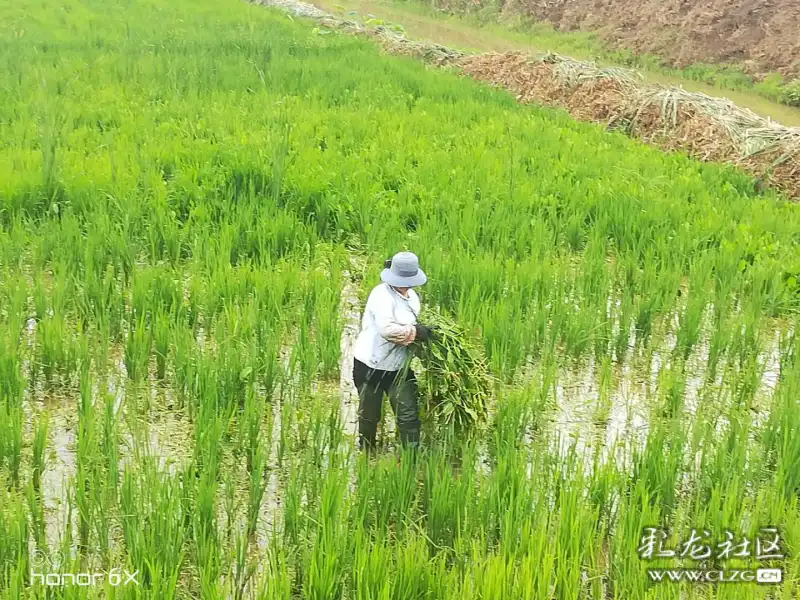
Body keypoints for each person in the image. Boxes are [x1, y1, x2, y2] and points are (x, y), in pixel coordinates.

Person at [352, 251, 434, 452]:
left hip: (399, 367)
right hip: (371, 365)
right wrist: (416, 332)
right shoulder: (381, 295)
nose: (406, 284)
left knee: (408, 415)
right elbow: (387, 330)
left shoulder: (412, 297)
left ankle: (412, 459)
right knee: (369, 416)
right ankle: (367, 453)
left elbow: (411, 329)